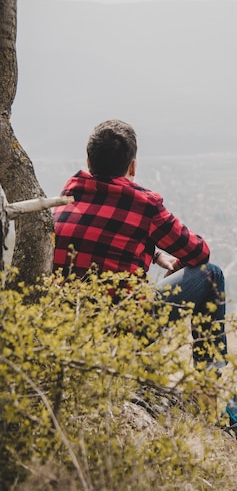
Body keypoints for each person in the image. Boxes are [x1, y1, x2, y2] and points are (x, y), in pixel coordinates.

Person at [53, 119, 227, 371]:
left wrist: (156, 255)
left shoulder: (70, 192)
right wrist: (174, 261)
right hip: (123, 330)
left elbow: (100, 237)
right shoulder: (144, 205)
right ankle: (207, 384)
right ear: (132, 166)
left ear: (89, 162)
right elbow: (199, 252)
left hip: (68, 326)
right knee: (212, 275)